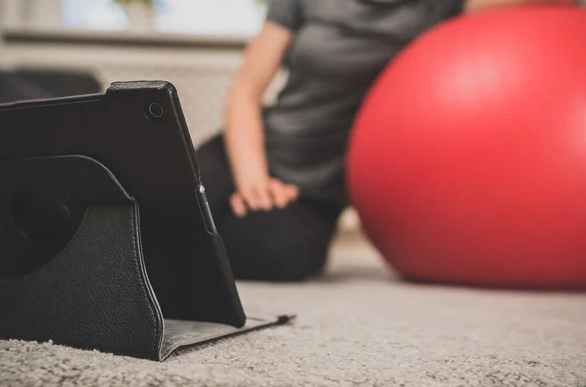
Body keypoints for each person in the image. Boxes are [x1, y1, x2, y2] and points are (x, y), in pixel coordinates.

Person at [196, 0, 576, 282]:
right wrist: (254, 182)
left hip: (316, 190)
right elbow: (247, 89)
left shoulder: (441, 6)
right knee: (167, 214)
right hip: (251, 152)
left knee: (278, 256)